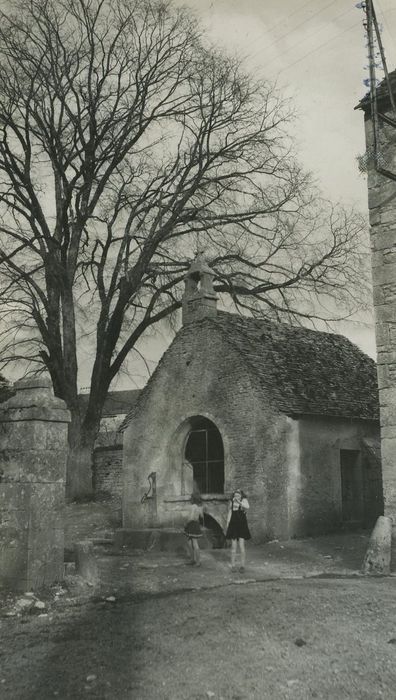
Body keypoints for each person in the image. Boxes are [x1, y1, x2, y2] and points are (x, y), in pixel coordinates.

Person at [225, 489, 251, 573]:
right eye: (235, 495)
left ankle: (242, 566)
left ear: (241, 495)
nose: (236, 496)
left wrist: (239, 502)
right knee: (233, 547)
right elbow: (230, 513)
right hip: (233, 525)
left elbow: (247, 507)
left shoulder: (244, 501)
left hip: (242, 526)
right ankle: (233, 565)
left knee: (241, 546)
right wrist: (227, 523)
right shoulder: (231, 502)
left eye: (238, 495)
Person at [184, 494, 204, 566]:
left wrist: (186, 523)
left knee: (194, 543)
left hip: (192, 524)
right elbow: (201, 516)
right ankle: (192, 559)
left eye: (191, 498)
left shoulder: (193, 506)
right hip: (196, 524)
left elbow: (191, 517)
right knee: (189, 542)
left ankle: (197, 561)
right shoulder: (199, 507)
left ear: (193, 499)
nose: (190, 499)